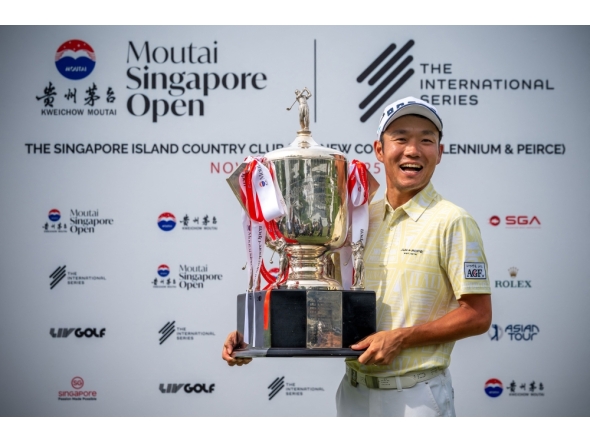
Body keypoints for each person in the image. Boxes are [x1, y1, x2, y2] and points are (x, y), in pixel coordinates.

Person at [222, 96, 492, 417]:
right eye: (401, 138)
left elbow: (478, 315)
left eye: (426, 140)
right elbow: (320, 295)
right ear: (379, 150)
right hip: (353, 393)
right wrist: (258, 331)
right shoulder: (358, 217)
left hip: (416, 398)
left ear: (439, 153)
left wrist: (400, 339)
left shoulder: (452, 220)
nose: (413, 150)